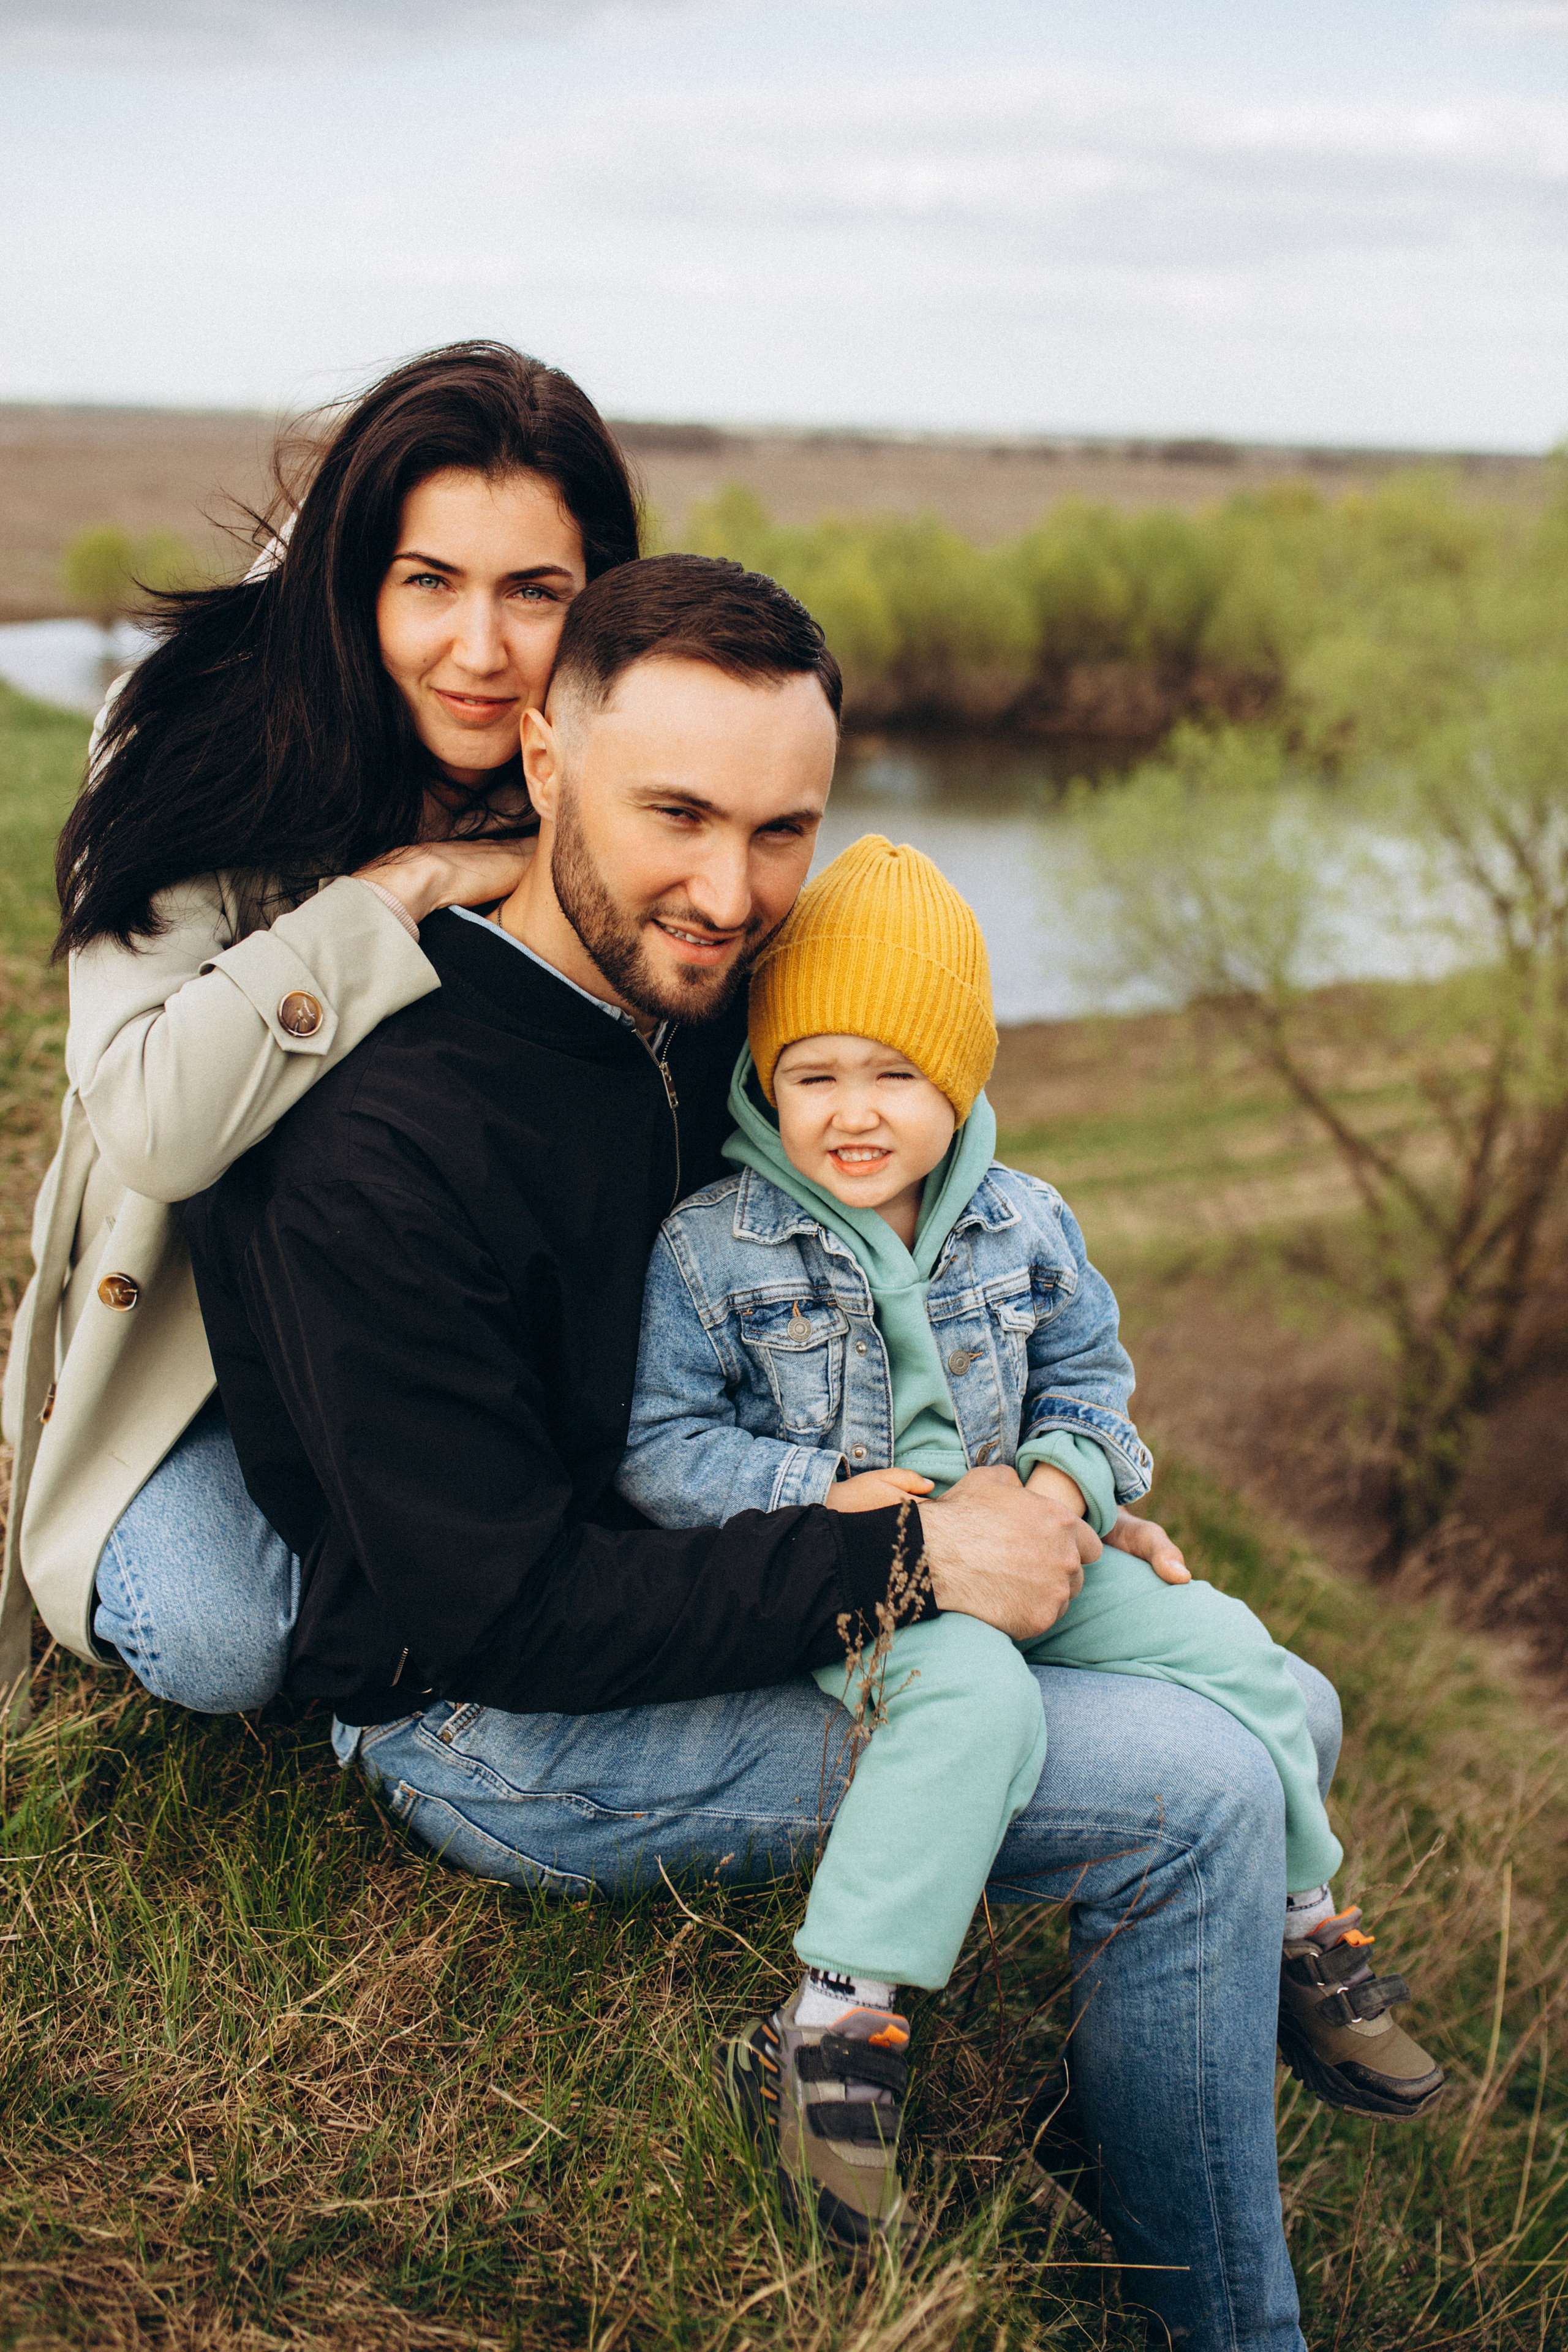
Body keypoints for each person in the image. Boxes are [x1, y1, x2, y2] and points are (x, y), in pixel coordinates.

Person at [183, 551, 1340, 2352]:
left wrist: (1047, 1488)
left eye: (781, 830)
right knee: (1198, 1791)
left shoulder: (708, 1015)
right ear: (544, 761)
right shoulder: (382, 1139)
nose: (731, 894)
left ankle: (1134, 2117)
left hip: (738, 1576)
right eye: (677, 815)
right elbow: (493, 1610)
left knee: (1262, 1701)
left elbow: (908, 1250)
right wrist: (915, 1560)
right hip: (489, 1715)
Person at [616, 832, 1445, 2245]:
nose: (852, 1113)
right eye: (812, 1075)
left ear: (958, 1077)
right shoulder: (714, 1248)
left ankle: (1301, 1924)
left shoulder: (1027, 1225)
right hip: (864, 1582)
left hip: (1031, 1542)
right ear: (763, 1078)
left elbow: (1090, 1390)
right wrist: (822, 1489)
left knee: (1227, 1644)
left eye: (894, 1074)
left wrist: (1065, 1492)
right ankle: (829, 2033)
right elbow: (660, 1449)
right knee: (973, 1699)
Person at [0, 341, 641, 1711]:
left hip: (481, 1303)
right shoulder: (192, 733)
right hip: (204, 1338)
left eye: (535, 592)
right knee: (223, 1636)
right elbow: (154, 1125)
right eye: (430, 583)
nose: (481, 651)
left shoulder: (613, 746)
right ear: (358, 578)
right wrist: (399, 891)